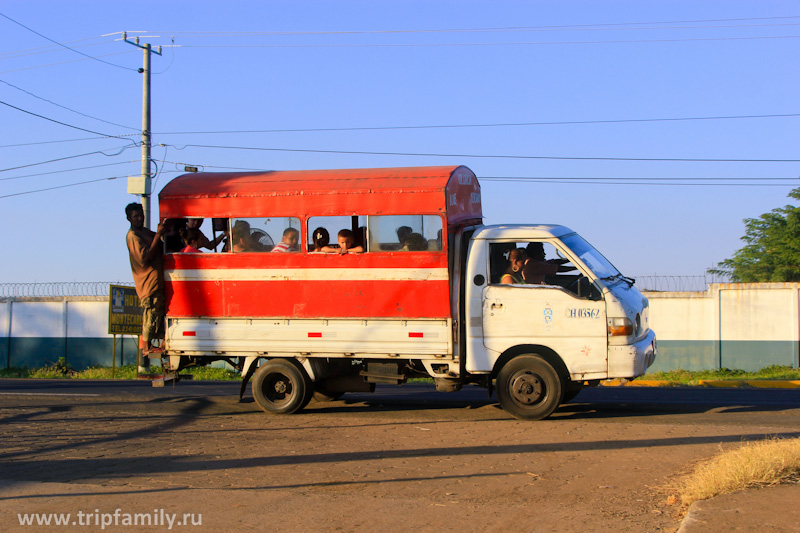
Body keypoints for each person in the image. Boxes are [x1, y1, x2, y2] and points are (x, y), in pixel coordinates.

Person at [125, 203, 167, 356]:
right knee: (151, 314)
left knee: (159, 314)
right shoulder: (134, 237)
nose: (140, 218)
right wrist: (157, 235)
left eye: (141, 215)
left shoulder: (144, 232)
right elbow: (145, 258)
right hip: (148, 284)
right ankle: (147, 347)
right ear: (129, 218)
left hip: (157, 281)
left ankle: (160, 343)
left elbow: (160, 245)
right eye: (136, 216)